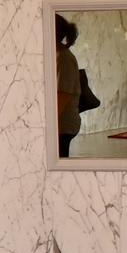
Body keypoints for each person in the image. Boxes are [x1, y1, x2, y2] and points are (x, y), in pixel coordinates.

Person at [55, 15, 82, 159]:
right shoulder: (56, 55)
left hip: (63, 125)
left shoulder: (63, 58)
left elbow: (63, 94)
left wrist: (48, 123)